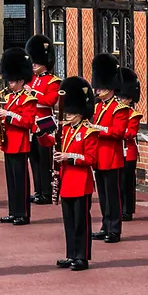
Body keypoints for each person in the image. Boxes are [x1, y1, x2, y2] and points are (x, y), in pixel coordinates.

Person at [53, 76, 97, 271]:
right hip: (66, 181)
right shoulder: (66, 130)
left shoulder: (89, 132)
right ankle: (71, 254)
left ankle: (82, 256)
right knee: (69, 221)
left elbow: (91, 159)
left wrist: (69, 157)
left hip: (81, 182)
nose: (68, 114)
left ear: (80, 112)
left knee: (81, 222)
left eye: (72, 111)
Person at [0, 47, 37, 226]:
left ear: (21, 80)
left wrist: (8, 115)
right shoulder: (10, 97)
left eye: (13, 81)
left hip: (20, 143)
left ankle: (23, 213)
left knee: (21, 181)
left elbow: (28, 121)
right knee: (11, 181)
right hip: (8, 142)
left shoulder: (28, 99)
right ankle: (13, 211)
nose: (9, 84)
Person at [89, 53, 129, 243]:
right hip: (98, 156)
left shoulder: (119, 108)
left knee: (113, 196)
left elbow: (118, 132)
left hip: (112, 157)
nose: (98, 90)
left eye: (102, 87)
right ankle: (105, 225)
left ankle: (114, 229)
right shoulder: (97, 107)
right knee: (103, 196)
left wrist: (97, 129)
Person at [26, 35, 61, 206]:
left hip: (45, 124)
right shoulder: (31, 79)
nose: (33, 65)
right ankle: (38, 191)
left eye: (36, 62)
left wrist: (31, 93)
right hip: (31, 124)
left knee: (45, 159)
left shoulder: (53, 81)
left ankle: (47, 192)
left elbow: (49, 101)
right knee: (34, 159)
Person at [118, 69, 143, 221]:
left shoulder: (133, 114)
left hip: (129, 151)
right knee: (119, 182)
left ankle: (128, 209)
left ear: (129, 99)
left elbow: (130, 133)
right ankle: (120, 207)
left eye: (123, 98)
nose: (120, 100)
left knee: (127, 182)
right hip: (118, 151)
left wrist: (115, 132)